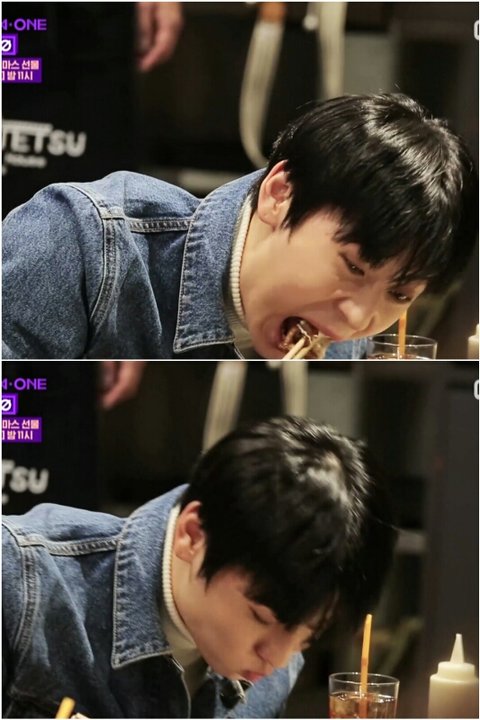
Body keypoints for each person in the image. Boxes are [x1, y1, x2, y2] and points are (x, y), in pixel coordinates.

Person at [3, 93, 477, 360]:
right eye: (353, 267)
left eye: (400, 294)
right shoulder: (83, 240)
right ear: (280, 194)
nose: (357, 320)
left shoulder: (343, 343)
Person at [2, 416, 395, 719]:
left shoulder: (277, 652)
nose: (277, 659)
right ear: (193, 535)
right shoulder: (20, 579)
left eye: (307, 638)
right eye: (260, 617)